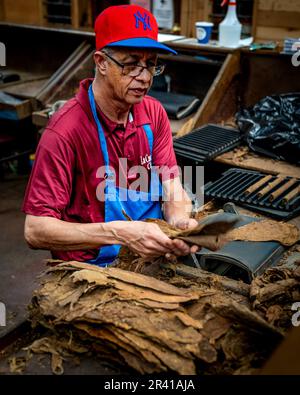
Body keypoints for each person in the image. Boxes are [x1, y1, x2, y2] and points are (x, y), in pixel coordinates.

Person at [22, 4, 199, 266]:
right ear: (101, 62)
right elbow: (35, 230)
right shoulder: (65, 131)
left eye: (151, 65)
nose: (144, 78)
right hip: (93, 265)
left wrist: (179, 221)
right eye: (131, 65)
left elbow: (171, 185)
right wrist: (120, 233)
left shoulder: (153, 113)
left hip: (149, 251)